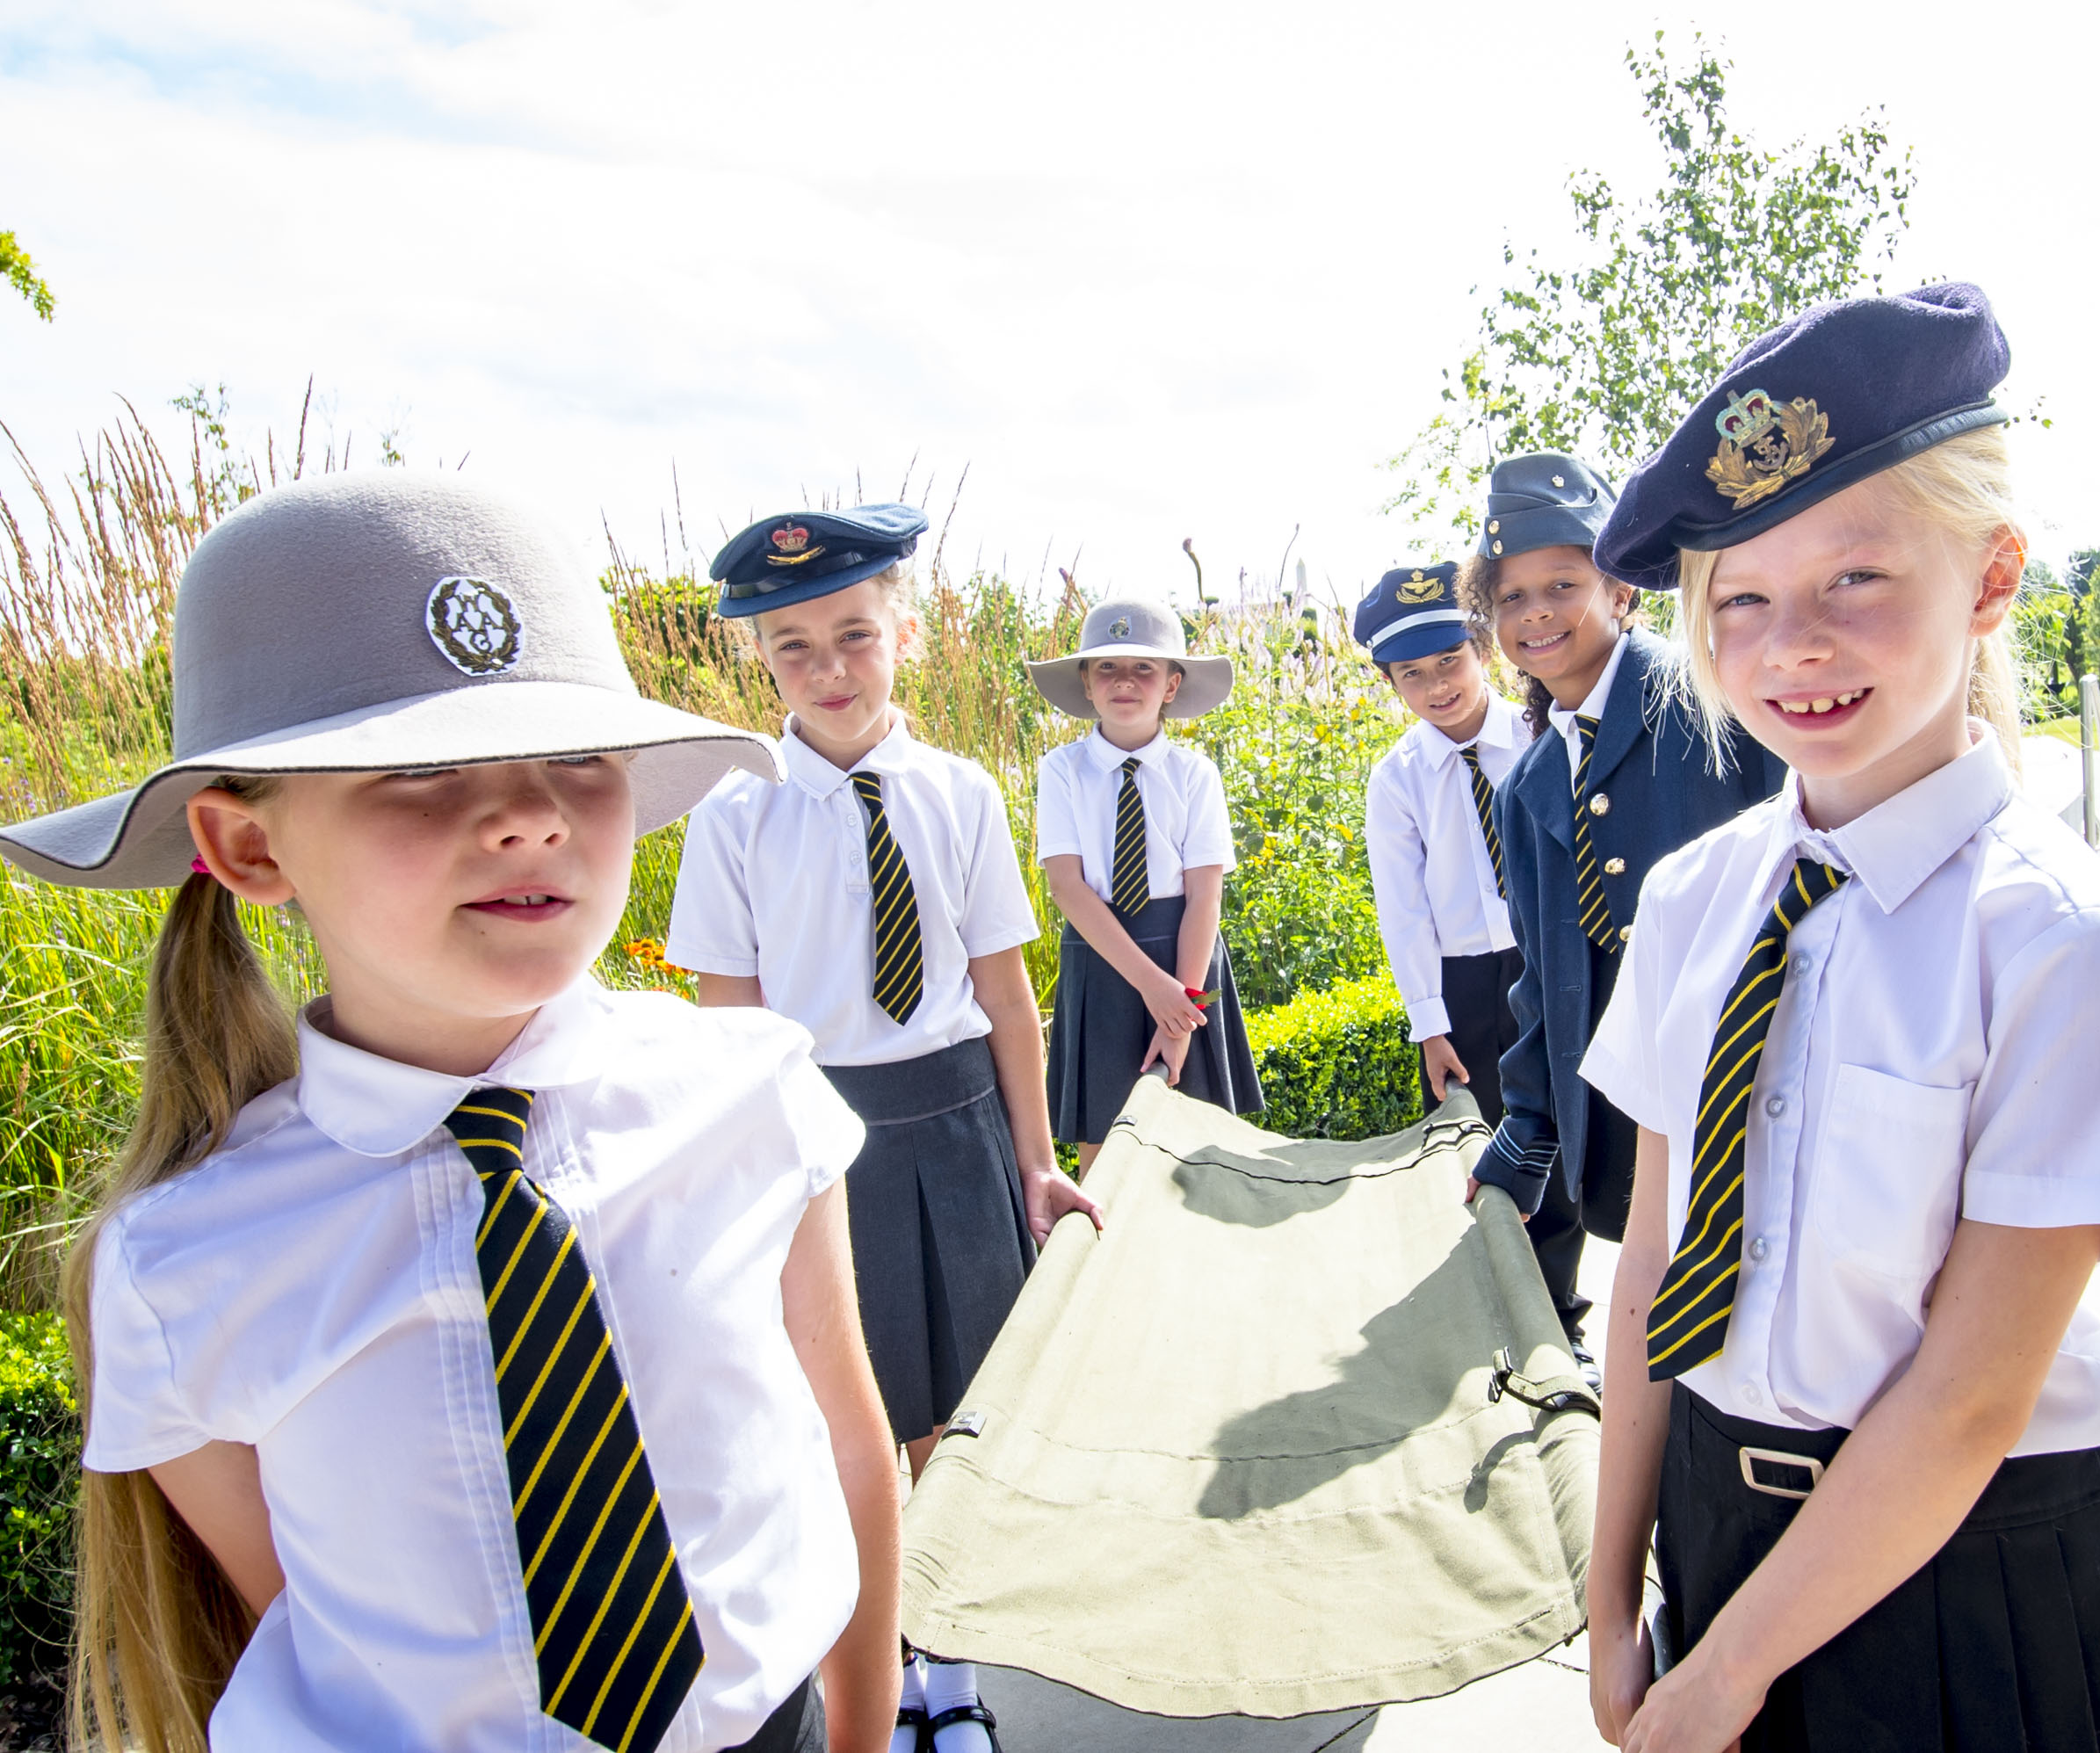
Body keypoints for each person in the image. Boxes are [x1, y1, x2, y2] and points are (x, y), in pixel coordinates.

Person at [1, 474, 904, 1753]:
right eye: (420, 768)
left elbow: (848, 1455)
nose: (531, 811)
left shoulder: (752, 1091)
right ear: (251, 849)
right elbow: (312, 1623)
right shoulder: (183, 1260)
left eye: (580, 756)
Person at [1577, 283, 2100, 1751]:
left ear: (1991, 576)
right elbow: (1654, 1271)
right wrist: (1609, 1600)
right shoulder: (1693, 901)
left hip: (1972, 1570)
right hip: (1716, 1536)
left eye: (1856, 579)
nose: (1794, 647)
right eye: (1742, 600)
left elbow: (1972, 1398)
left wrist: (1725, 1684)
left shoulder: (2060, 941)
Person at [668, 504, 1099, 1753]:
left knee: (946, 1423)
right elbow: (727, 1015)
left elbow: (1008, 990)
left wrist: (1036, 1157)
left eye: (855, 633)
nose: (831, 669)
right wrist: (747, 1183)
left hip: (957, 1121)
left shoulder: (960, 791)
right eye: (794, 647)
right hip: (817, 1138)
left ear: (902, 629)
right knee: (841, 1418)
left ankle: (948, 1670)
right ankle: (878, 1665)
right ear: (760, 659)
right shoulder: (734, 812)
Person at [1459, 456, 1783, 1362]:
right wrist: (1525, 1129)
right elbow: (1538, 978)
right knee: (1673, 1328)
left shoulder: (1711, 702)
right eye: (1511, 596)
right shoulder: (1527, 788)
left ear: (1622, 590)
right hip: (1626, 1101)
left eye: (1562, 583)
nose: (1535, 613)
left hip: (1748, 1076)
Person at [1030, 598, 1263, 1168]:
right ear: (1085, 683)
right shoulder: (1061, 770)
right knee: (1104, 1152)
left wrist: (1182, 1008)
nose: (1124, 682)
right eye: (1106, 667)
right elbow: (1066, 886)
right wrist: (1154, 989)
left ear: (1172, 684)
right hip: (1101, 959)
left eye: (1144, 668)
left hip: (1188, 963)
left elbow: (1206, 898)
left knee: (1202, 1151)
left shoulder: (1195, 774)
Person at [1354, 561, 1530, 1129]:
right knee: (1469, 1140)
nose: (1437, 686)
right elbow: (1403, 909)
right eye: (1412, 673)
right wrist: (1431, 1025)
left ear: (1482, 648)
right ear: (1390, 681)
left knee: (1566, 1137)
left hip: (1550, 959)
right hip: (1462, 987)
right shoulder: (1397, 778)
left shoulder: (1541, 735)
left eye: (1449, 661)